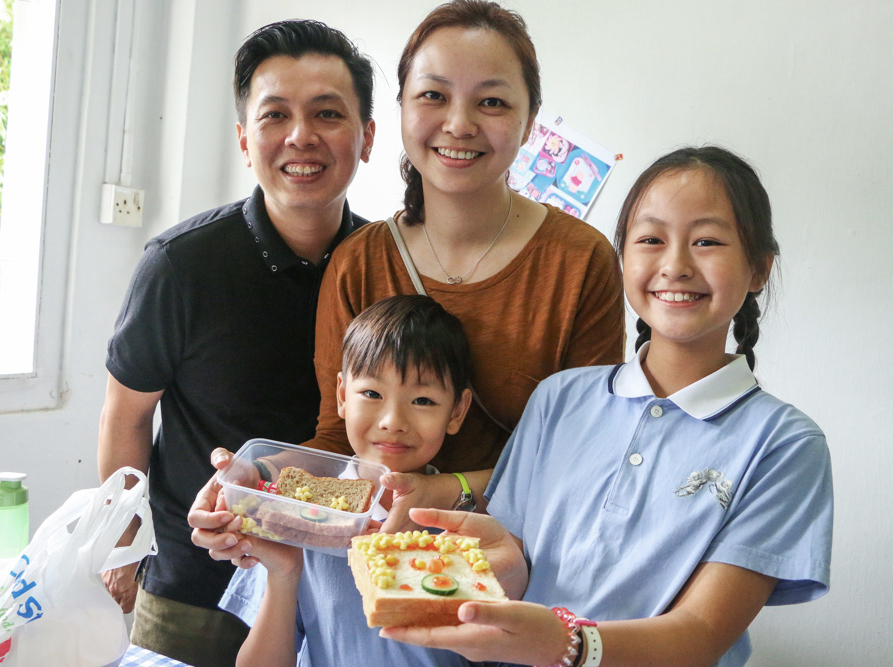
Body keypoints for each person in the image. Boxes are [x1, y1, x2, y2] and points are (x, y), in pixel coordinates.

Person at [190, 0, 623, 557]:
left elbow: (584, 455)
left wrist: (444, 490)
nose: (459, 124)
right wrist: (257, 477)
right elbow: (338, 437)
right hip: (377, 565)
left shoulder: (580, 261)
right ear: (401, 110)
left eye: (491, 101)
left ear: (530, 121)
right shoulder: (359, 261)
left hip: (520, 565)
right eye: (433, 96)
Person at [382, 146, 835, 667]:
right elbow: (518, 566)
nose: (675, 265)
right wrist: (494, 566)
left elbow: (702, 632)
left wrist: (570, 645)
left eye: (707, 241)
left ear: (759, 269)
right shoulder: (559, 397)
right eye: (651, 240)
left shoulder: (785, 445)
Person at [97, 20, 376, 667]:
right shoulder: (181, 265)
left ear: (366, 138)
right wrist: (124, 543)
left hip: (339, 583)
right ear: (246, 140)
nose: (301, 136)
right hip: (199, 586)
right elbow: (126, 414)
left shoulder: (383, 268)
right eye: (276, 114)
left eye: (327, 113)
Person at [219, 295, 477, 667]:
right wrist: (284, 571)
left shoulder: (471, 525)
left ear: (457, 411)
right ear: (342, 396)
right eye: (372, 393)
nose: (392, 421)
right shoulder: (295, 513)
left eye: (423, 400)